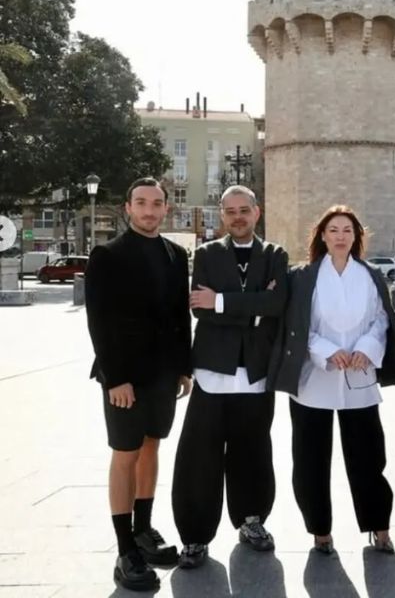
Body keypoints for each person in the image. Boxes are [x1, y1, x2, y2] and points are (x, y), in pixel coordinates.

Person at [268, 205, 395, 555]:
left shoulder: (371, 275)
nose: (341, 236)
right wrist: (327, 350)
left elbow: (381, 319)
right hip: (314, 379)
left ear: (356, 236)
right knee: (311, 460)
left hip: (359, 377)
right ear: (323, 236)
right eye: (334, 230)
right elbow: (299, 327)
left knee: (369, 459)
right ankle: (320, 532)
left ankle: (380, 527)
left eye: (347, 230)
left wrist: (366, 347)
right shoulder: (304, 277)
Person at [171, 186, 288, 569]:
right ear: (222, 215)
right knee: (199, 458)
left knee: (253, 452)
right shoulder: (206, 254)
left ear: (258, 212)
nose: (238, 217)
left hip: (254, 373)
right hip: (212, 371)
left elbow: (275, 304)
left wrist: (221, 301)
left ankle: (252, 521)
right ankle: (194, 537)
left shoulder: (274, 255)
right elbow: (199, 311)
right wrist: (251, 306)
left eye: (244, 210)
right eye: (230, 211)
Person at [84, 177, 192, 591]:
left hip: (165, 374)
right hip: (124, 378)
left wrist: (184, 367)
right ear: (128, 208)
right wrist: (116, 378)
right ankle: (124, 548)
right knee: (125, 454)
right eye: (142, 203)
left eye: (157, 203)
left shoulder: (176, 255)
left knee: (152, 447)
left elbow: (180, 317)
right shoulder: (107, 255)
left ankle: (145, 531)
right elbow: (99, 321)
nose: (150, 210)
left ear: (166, 209)